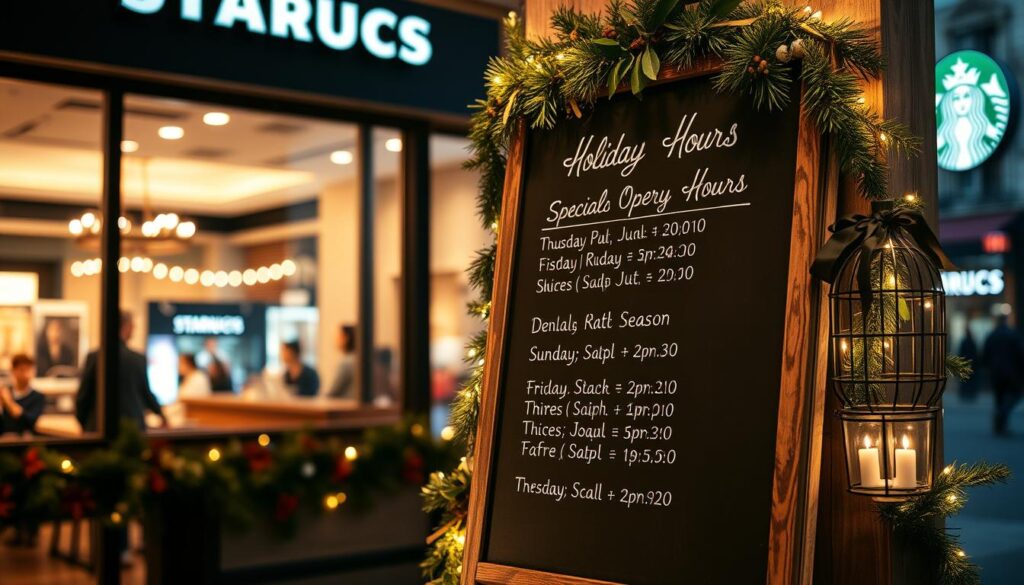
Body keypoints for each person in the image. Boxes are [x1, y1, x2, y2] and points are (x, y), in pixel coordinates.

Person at [76, 310, 166, 432]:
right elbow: (146, 393)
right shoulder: (137, 359)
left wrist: (84, 423)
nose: (133, 332)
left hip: (99, 426)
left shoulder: (95, 357)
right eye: (133, 327)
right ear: (126, 326)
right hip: (132, 428)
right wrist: (162, 415)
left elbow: (83, 396)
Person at [982, 315, 1024, 436]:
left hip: (995, 372)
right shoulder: (1013, 335)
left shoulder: (992, 335)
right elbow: (1020, 354)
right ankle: (1002, 418)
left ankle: (1000, 424)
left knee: (999, 398)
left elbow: (985, 355)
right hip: (1011, 372)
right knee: (1014, 395)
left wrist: (988, 368)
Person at [0, 354, 45, 436]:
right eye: (22, 370)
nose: (26, 375)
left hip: (25, 442)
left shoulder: (37, 396)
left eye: (29, 370)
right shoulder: (5, 391)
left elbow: (30, 421)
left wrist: (8, 402)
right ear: (13, 371)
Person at [327, 325, 356, 399]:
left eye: (339, 336)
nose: (336, 339)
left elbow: (333, 391)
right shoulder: (357, 359)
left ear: (346, 338)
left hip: (343, 406)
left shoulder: (346, 362)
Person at [958, 326, 980, 401]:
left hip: (964, 363)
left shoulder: (964, 342)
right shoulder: (972, 341)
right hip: (971, 363)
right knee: (971, 379)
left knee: (964, 378)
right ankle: (971, 393)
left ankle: (964, 393)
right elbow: (975, 353)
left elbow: (960, 353)